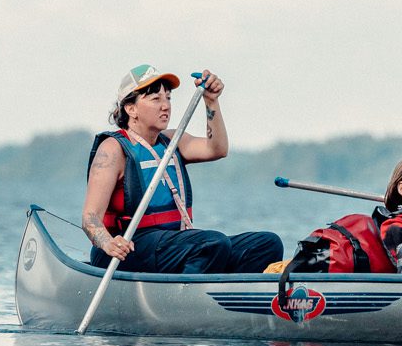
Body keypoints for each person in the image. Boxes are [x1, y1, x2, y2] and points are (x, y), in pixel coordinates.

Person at [81, 64, 283, 274]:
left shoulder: (172, 141)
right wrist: (107, 243)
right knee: (213, 243)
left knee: (266, 244)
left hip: (172, 245)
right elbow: (90, 217)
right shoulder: (113, 150)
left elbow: (217, 149)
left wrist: (211, 100)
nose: (165, 106)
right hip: (126, 249)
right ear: (131, 109)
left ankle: (221, 295)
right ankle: (185, 298)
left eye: (168, 98)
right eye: (155, 99)